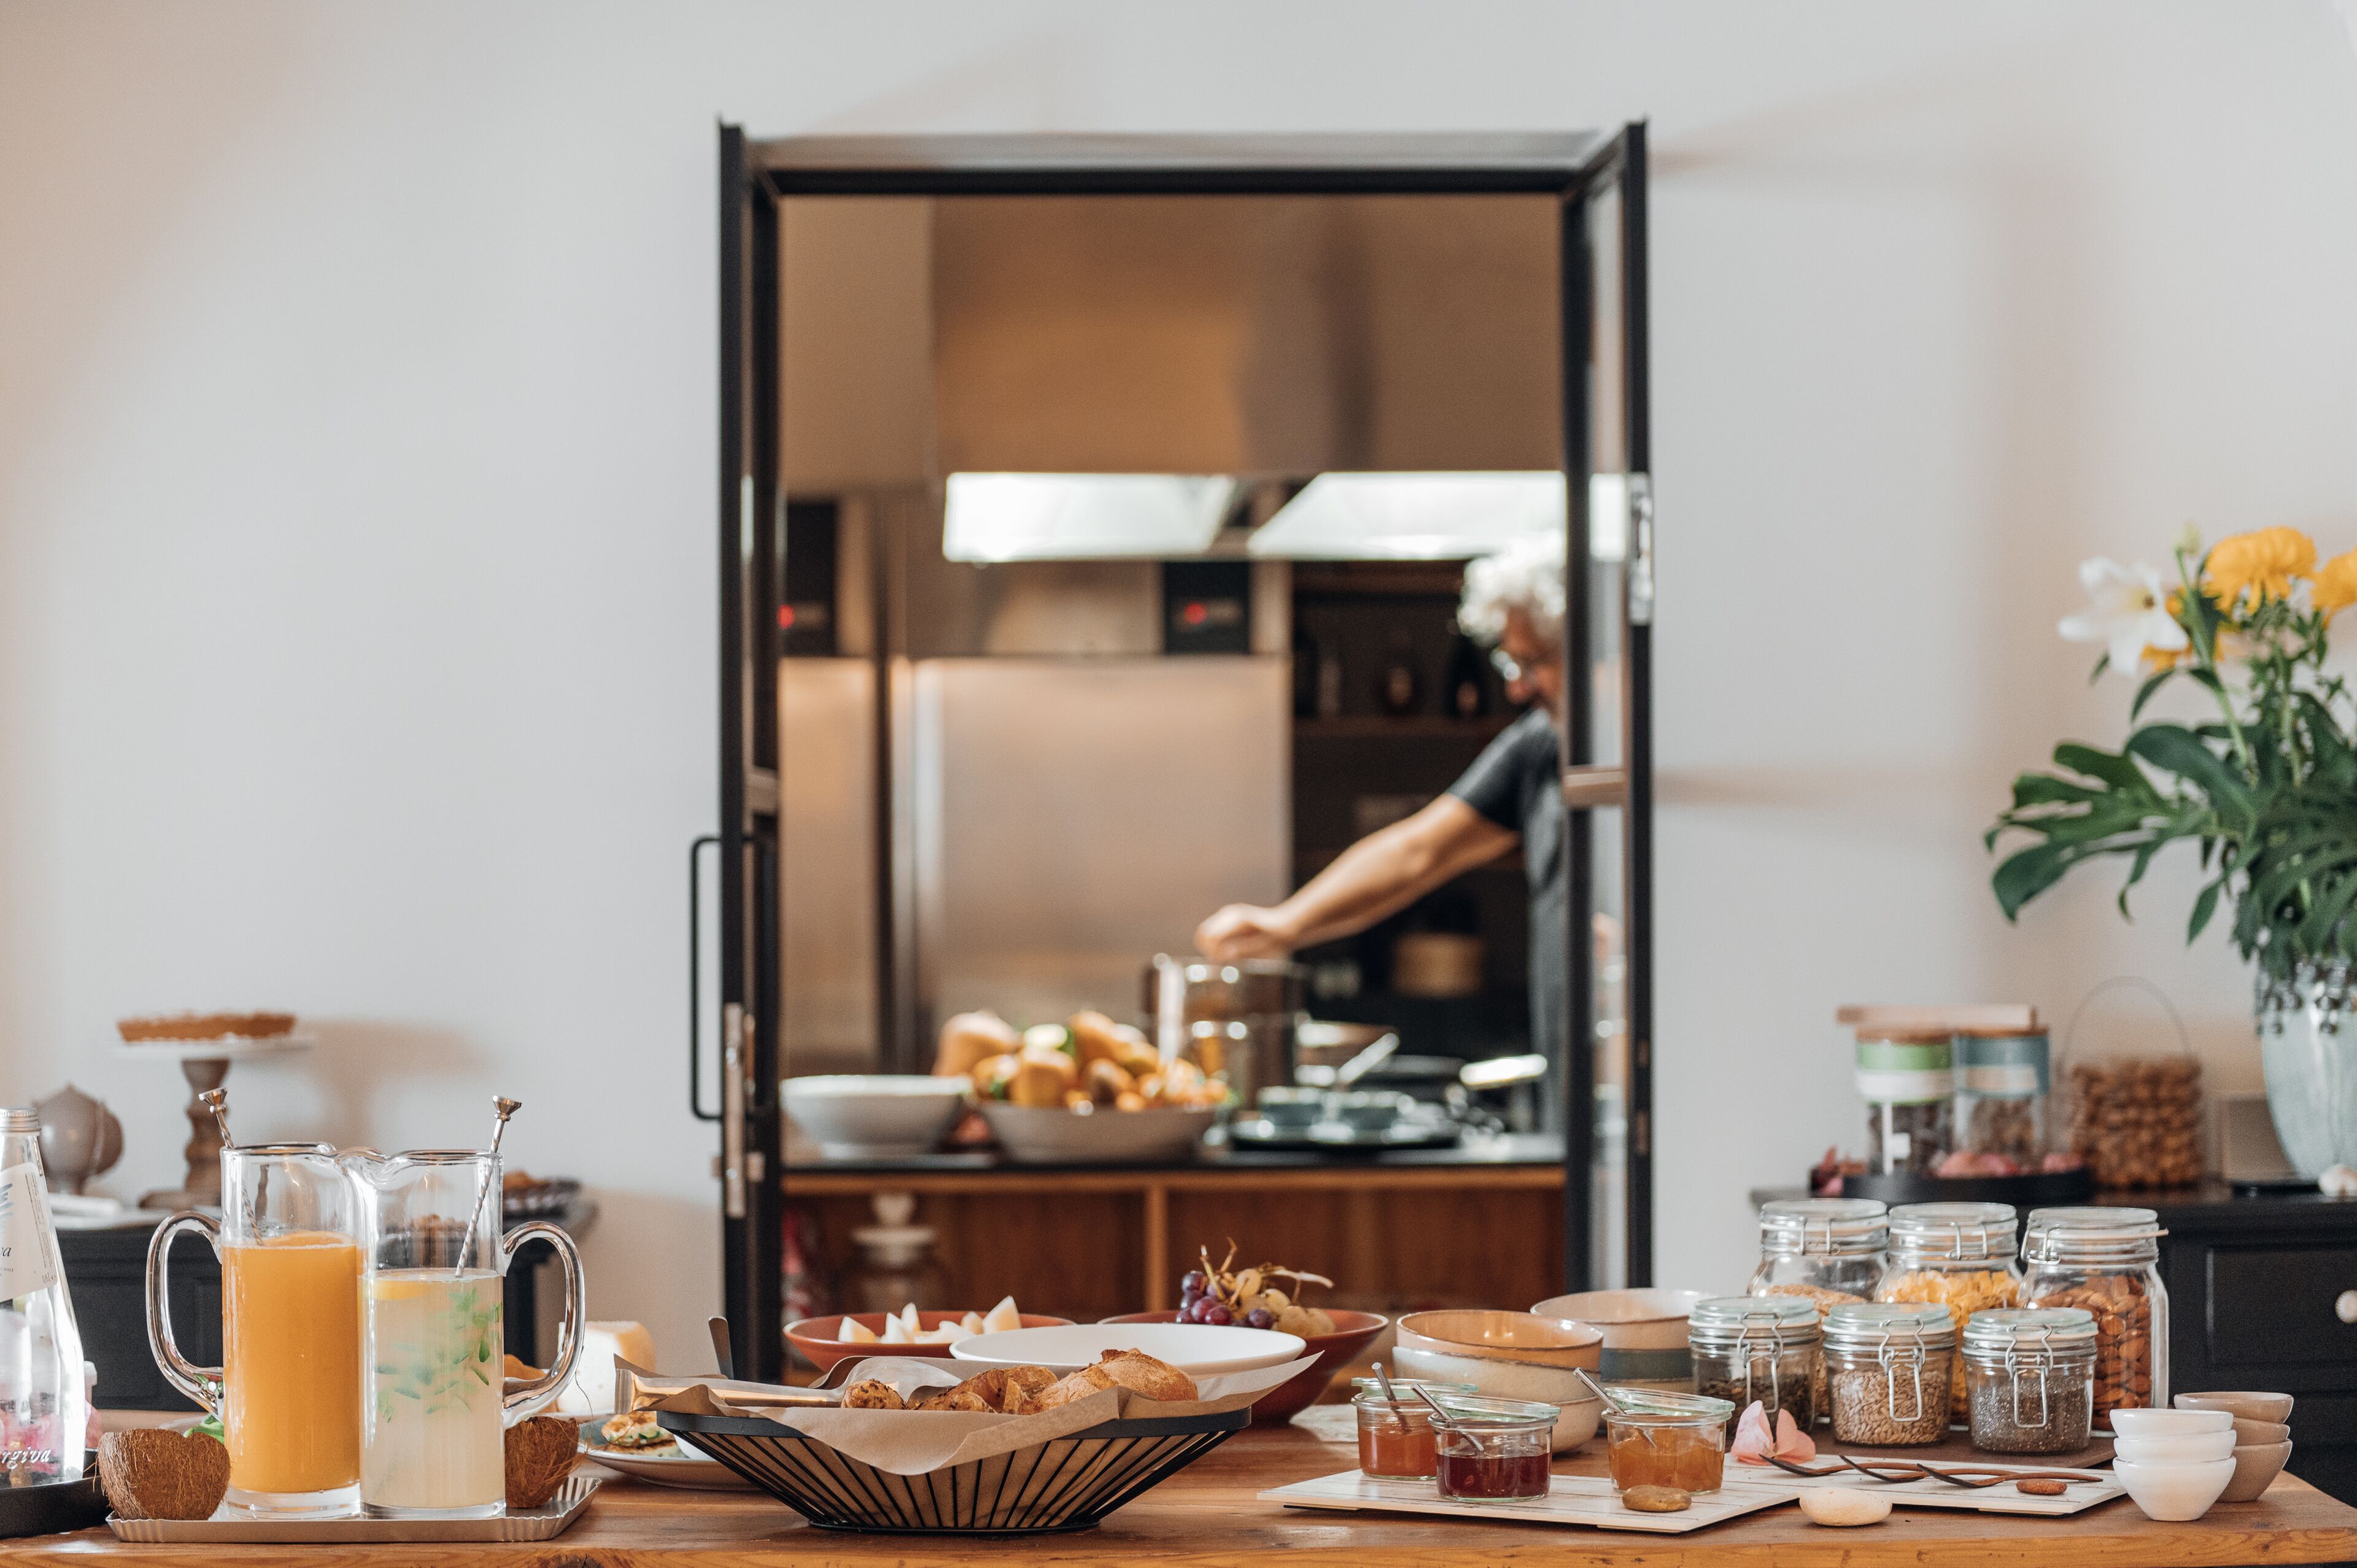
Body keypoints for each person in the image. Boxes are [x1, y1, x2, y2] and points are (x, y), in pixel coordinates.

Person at [1194, 533, 1576, 1095]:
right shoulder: (1543, 745)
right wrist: (1287, 924)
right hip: (1576, 1088)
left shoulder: (1671, 750)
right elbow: (1418, 851)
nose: (1517, 687)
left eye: (1534, 661)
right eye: (1510, 662)